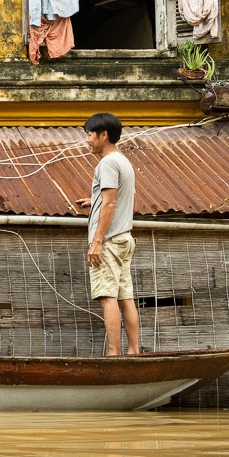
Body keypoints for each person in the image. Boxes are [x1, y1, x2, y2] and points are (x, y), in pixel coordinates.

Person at [74, 112, 139, 356]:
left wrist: (97, 242)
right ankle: (133, 352)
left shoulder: (108, 163)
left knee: (107, 295)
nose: (87, 140)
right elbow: (114, 198)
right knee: (126, 297)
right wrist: (95, 201)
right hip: (124, 238)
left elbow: (111, 203)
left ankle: (114, 354)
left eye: (90, 134)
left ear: (104, 135)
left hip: (110, 241)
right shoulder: (123, 161)